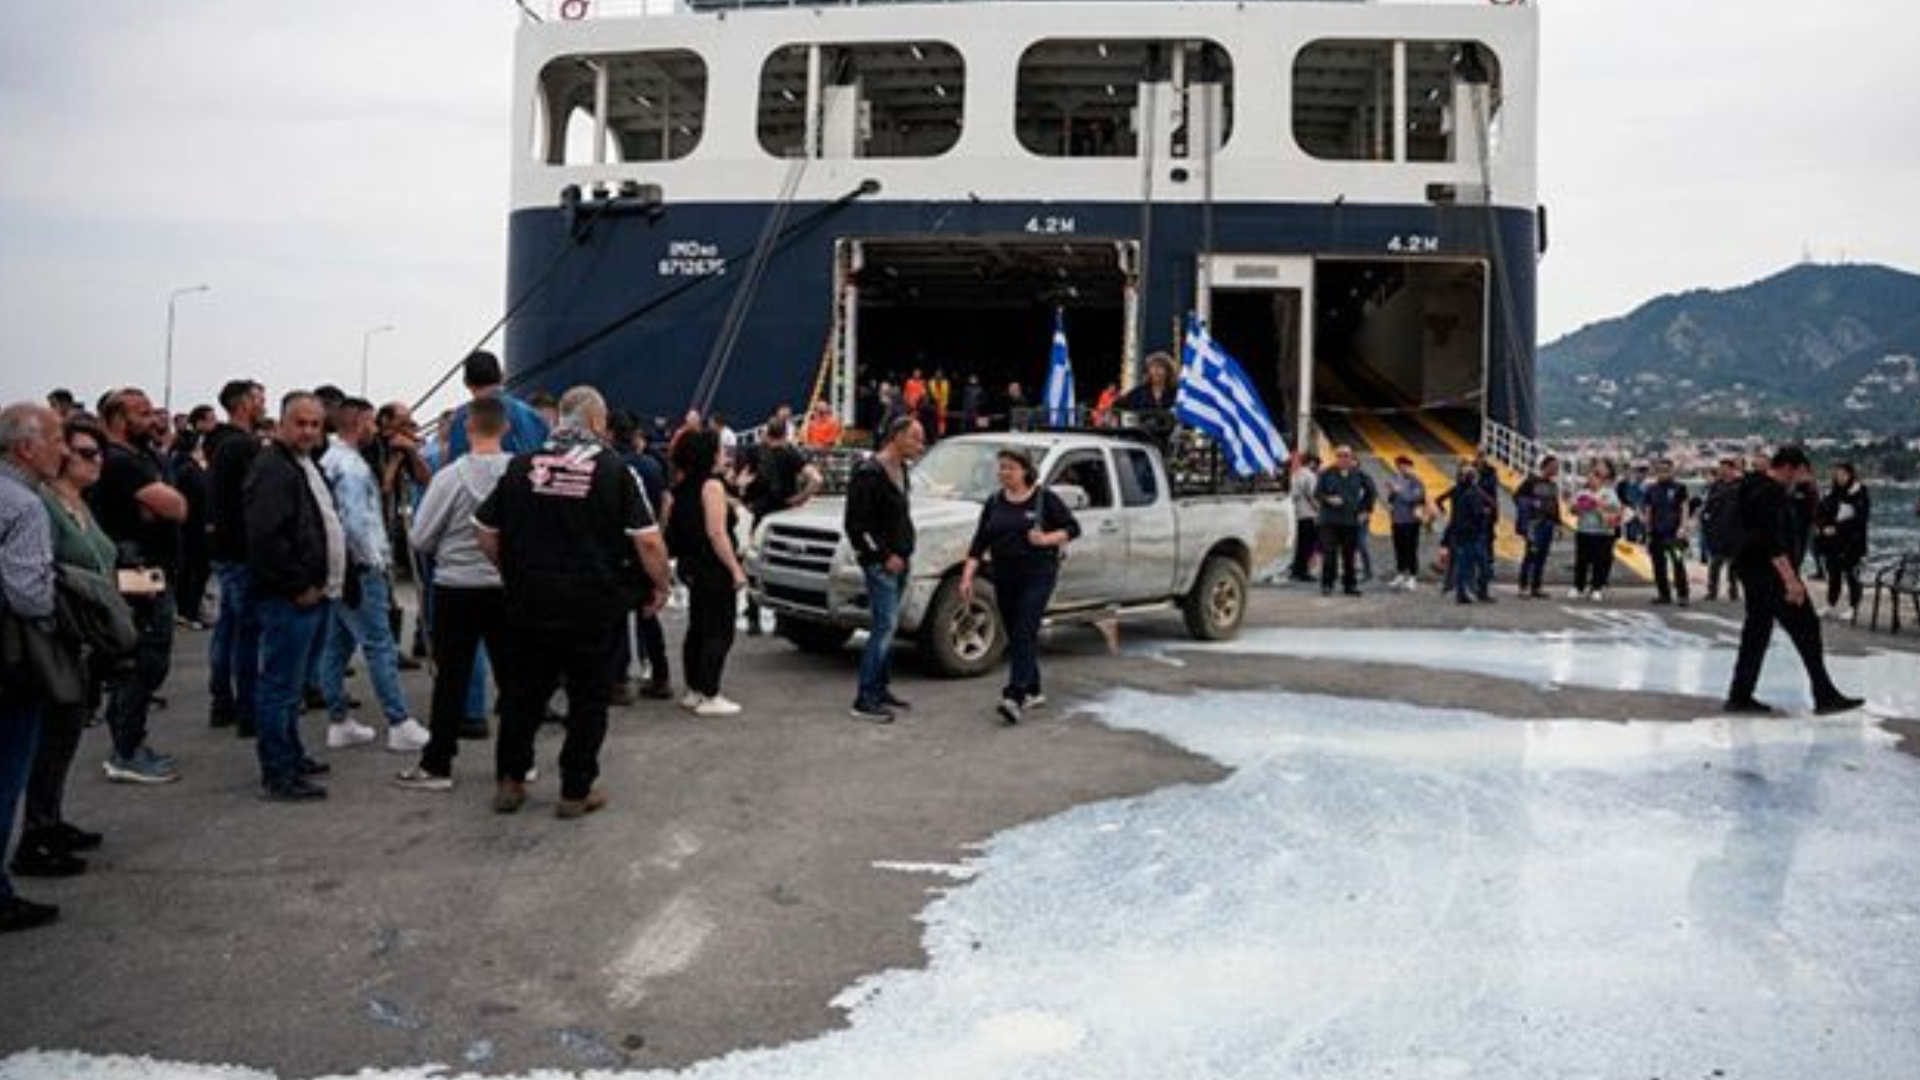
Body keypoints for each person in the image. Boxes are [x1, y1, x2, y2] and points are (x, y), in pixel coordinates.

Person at [475, 387, 669, 819]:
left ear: (560, 419)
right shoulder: (614, 471)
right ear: (598, 422)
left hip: (530, 602)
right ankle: (574, 791)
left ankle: (510, 781)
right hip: (591, 607)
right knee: (588, 698)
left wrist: (512, 571)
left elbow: (484, 530)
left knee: (523, 694)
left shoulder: (521, 466)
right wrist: (661, 585)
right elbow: (649, 543)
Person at [14, 419, 121, 878]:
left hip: (82, 637)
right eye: (84, 452)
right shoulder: (42, 505)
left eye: (99, 453)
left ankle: (50, 819)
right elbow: (43, 577)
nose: (95, 461)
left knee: (66, 735)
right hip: (54, 639)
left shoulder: (79, 504)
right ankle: (35, 835)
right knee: (51, 736)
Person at [395, 398, 515, 792]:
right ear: (506, 428)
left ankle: (438, 764)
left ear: (468, 428)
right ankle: (518, 764)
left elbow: (421, 538)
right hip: (506, 588)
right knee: (514, 679)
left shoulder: (449, 477)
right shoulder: (521, 474)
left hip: (456, 587)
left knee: (451, 680)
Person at [243, 392, 342, 802]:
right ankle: (279, 773)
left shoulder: (302, 464)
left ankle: (292, 756)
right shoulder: (273, 469)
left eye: (315, 424)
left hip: (314, 593)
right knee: (280, 686)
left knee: (291, 686)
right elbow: (266, 537)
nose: (308, 431)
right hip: (290, 598)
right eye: (300, 423)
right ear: (282, 423)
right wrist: (297, 585)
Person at [317, 398, 429, 754]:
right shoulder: (351, 468)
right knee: (380, 644)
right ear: (360, 422)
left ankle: (339, 721)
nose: (375, 430)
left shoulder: (329, 460)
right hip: (362, 568)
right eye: (370, 423)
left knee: (337, 645)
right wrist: (374, 562)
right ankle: (399, 722)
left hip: (340, 568)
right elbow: (356, 523)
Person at [89, 388, 187, 784]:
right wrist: (159, 503)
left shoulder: (142, 458)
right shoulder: (119, 462)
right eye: (142, 413)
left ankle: (130, 741)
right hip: (137, 575)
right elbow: (175, 505)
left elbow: (167, 501)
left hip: (153, 570)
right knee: (143, 659)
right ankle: (125, 751)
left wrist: (159, 502)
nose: (153, 420)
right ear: (117, 418)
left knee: (147, 660)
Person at [1723, 446, 1863, 716]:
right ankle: (1824, 695)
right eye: (1801, 472)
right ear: (1788, 468)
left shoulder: (1751, 484)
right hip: (1770, 572)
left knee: (1757, 630)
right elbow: (1772, 541)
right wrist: (1791, 580)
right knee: (1807, 626)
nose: (1803, 478)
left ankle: (1740, 694)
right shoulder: (1772, 493)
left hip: (1748, 567)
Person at [1, 404, 69, 930]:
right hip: (12, 659)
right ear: (26, 447)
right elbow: (29, 595)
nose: (62, 451)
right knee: (7, 776)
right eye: (56, 439)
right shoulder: (24, 504)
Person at [959, 448, 1080, 725]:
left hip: (1038, 574)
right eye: (1001, 467)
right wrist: (967, 577)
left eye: (1010, 468)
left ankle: (1014, 696)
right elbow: (979, 543)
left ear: (1025, 470)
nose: (1004, 473)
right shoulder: (994, 502)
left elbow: (1073, 528)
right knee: (1016, 634)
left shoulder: (1044, 499)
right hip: (1004, 574)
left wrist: (1046, 539)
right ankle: (1034, 689)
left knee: (1025, 630)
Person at [845, 416, 924, 723]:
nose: (920, 445)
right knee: (883, 627)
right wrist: (882, 555)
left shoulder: (901, 469)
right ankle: (865, 698)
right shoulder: (869, 473)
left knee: (890, 626)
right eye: (915, 438)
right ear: (897, 436)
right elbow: (856, 525)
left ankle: (880, 687)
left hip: (901, 559)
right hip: (881, 564)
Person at [665, 430, 749, 716]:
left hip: (691, 564)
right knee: (719, 630)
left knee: (698, 627)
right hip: (713, 566)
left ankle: (694, 690)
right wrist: (735, 569)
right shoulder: (711, 485)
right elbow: (716, 532)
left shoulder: (682, 485)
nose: (724, 454)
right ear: (710, 454)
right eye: (720, 449)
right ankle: (710, 693)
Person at [205, 379, 266, 737]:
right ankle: (248, 709)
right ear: (243, 403)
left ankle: (222, 700)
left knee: (229, 627)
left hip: (225, 549)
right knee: (249, 632)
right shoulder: (242, 446)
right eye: (259, 399)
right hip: (242, 551)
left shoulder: (219, 443)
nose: (264, 405)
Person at [609, 411, 672, 702]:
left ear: (610, 433)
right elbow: (665, 502)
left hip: (617, 549)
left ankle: (618, 681)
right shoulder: (652, 466)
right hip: (647, 546)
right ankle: (660, 676)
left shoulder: (609, 466)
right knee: (649, 614)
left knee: (617, 619)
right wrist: (658, 536)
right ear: (636, 434)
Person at [738, 417, 823, 636]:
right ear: (786, 433)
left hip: (761, 516)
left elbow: (741, 481)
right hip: (784, 517)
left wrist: (747, 502)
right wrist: (800, 498)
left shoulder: (755, 452)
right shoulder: (792, 454)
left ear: (766, 433)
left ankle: (753, 617)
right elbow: (817, 479)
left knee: (754, 564)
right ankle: (781, 621)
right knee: (783, 565)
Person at [443, 351, 550, 465]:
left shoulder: (459, 420)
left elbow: (454, 463)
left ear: (466, 382)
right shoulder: (529, 414)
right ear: (502, 376)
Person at [1814, 462, 1870, 621]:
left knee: (1852, 575)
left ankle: (1853, 606)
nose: (1839, 477)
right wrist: (1821, 526)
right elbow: (1819, 511)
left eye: (1842, 474)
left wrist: (1837, 528)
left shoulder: (1859, 492)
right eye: (1836, 474)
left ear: (1850, 474)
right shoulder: (1831, 492)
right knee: (1833, 574)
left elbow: (1861, 519)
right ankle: (1830, 603)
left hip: (1852, 542)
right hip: (1831, 541)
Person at [1314, 445, 1373, 597]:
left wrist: (1365, 510)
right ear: (1336, 457)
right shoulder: (1326, 473)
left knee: (1349, 555)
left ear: (1351, 457)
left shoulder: (1359, 474)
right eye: (1340, 455)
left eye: (1346, 455)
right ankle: (1327, 585)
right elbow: (1317, 493)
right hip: (1329, 521)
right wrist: (1328, 499)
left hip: (1350, 521)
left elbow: (1371, 492)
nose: (1343, 458)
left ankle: (1350, 585)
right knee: (1329, 554)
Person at [170, 430, 214, 628]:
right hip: (195, 527)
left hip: (191, 526)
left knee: (192, 571)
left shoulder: (185, 466)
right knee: (195, 571)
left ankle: (189, 611)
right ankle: (190, 612)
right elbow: (200, 498)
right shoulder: (190, 469)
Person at [1569, 462, 1621, 601]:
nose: (1590, 481)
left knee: (1600, 561)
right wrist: (1580, 506)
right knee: (1581, 561)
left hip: (1603, 533)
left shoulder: (1608, 493)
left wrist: (1598, 505)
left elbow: (1616, 510)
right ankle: (1578, 587)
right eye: (1589, 478)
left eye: (1593, 478)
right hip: (1584, 530)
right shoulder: (1582, 493)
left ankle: (1596, 588)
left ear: (1600, 480)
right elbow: (1572, 510)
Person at [1643, 458, 1692, 606]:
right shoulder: (1651, 488)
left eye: (1666, 470)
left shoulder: (1680, 488)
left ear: (1672, 471)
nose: (1662, 473)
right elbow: (1648, 510)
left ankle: (1683, 595)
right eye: (1659, 470)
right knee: (1658, 565)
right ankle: (1664, 595)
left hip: (1674, 534)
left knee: (1678, 562)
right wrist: (1647, 530)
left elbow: (1684, 508)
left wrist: (1683, 527)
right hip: (1656, 533)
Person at [1514, 455, 1561, 599]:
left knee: (1542, 556)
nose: (1556, 469)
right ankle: (1523, 586)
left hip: (1548, 524)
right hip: (1534, 524)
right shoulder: (1531, 481)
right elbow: (1517, 497)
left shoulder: (1553, 485)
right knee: (1530, 555)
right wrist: (1531, 503)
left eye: (1557, 467)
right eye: (1554, 466)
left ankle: (1536, 587)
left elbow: (1555, 506)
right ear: (1545, 466)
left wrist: (1558, 524)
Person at [1701, 458, 1744, 602]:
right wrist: (1706, 524)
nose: (1722, 471)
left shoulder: (1740, 485)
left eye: (1725, 468)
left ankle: (1733, 591)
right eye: (1721, 468)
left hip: (1735, 531)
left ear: (1732, 469)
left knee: (1733, 565)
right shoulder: (1715, 486)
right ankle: (1712, 591)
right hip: (1717, 531)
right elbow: (1708, 506)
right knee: (1715, 563)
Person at [1384, 456, 1427, 591]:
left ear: (1410, 467)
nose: (1401, 469)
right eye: (1399, 466)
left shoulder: (1416, 481)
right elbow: (1391, 499)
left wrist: (1399, 491)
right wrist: (1391, 493)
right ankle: (1400, 574)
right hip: (1397, 519)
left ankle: (1412, 577)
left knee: (1411, 549)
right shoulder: (1395, 479)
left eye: (1404, 466)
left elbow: (1414, 498)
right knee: (1399, 548)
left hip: (1411, 520)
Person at [1287, 453, 1320, 582]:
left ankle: (1296, 570)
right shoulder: (1310, 476)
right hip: (1309, 514)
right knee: (1308, 545)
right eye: (1317, 465)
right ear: (1312, 463)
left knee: (1300, 544)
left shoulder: (1295, 474)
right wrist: (1318, 509)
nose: (1317, 467)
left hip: (1298, 513)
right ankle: (1303, 571)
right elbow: (1312, 494)